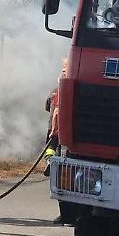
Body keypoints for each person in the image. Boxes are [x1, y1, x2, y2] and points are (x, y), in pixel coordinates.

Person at [46, 58, 82, 226]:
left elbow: (55, 113)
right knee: (67, 178)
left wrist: (53, 131)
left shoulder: (62, 87)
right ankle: (69, 215)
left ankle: (69, 215)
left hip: (62, 140)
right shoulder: (63, 87)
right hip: (64, 141)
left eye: (65, 68)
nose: (63, 71)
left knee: (66, 178)